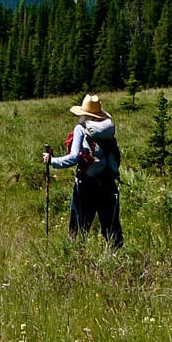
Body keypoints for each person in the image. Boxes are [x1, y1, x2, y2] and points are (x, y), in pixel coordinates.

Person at [43, 93, 123, 247]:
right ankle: (117, 256)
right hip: (108, 183)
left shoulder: (81, 128)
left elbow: (74, 158)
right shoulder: (107, 131)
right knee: (111, 225)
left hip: (86, 184)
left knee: (79, 226)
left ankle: (74, 257)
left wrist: (52, 161)